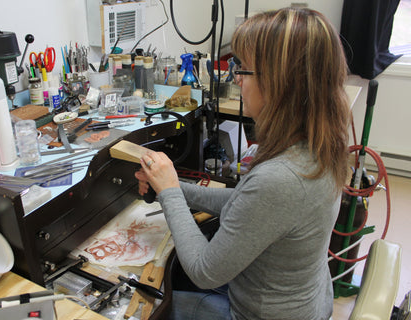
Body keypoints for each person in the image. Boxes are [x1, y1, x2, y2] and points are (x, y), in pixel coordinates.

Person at [134, 7, 350, 320]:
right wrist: (170, 186)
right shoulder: (317, 145)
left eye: (244, 70)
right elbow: (246, 202)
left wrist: (168, 191)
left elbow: (204, 271)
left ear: (281, 84)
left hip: (262, 314)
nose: (237, 79)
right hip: (302, 298)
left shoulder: (282, 177)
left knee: (146, 309)